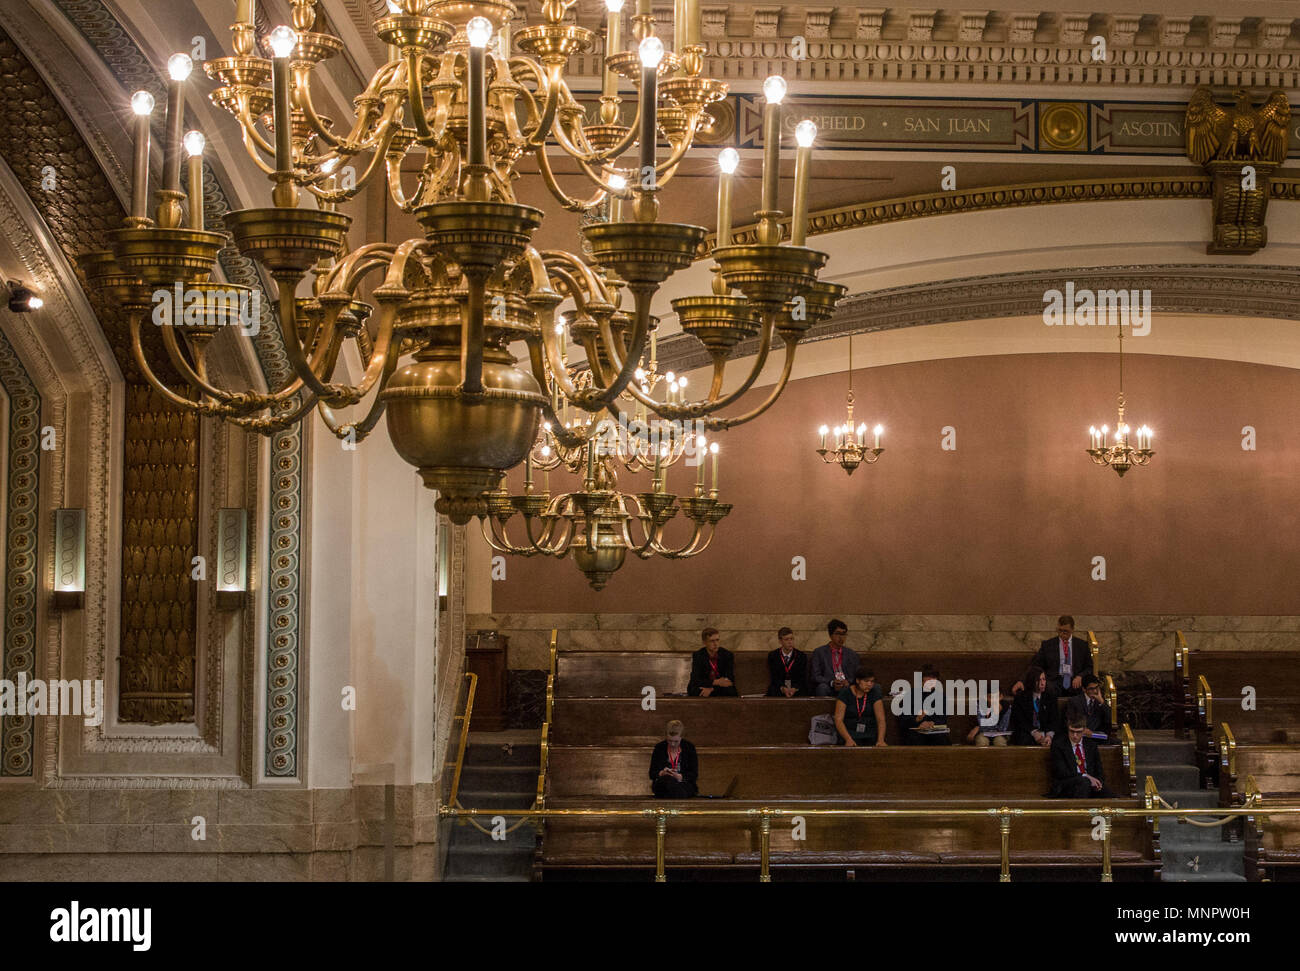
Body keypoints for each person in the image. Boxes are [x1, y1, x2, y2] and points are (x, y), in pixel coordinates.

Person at [1049, 715, 1114, 798]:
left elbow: (1099, 770)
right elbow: (1061, 772)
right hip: (1067, 785)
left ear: (1084, 731)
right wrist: (1085, 776)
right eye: (1072, 731)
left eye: (1078, 732)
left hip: (1089, 785)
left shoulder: (1091, 745)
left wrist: (1098, 782)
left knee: (1109, 795)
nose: (1075, 735)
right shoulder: (1059, 745)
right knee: (1084, 783)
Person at [898, 665, 951, 745]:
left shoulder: (941, 696)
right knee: (915, 739)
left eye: (934, 678)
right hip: (914, 731)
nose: (931, 680)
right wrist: (917, 719)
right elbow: (902, 719)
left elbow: (943, 718)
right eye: (928, 677)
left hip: (934, 731)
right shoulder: (910, 695)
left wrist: (932, 723)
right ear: (922, 679)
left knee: (941, 739)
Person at [834, 669, 887, 747]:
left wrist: (881, 740)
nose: (869, 684)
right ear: (858, 680)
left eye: (872, 681)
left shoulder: (875, 693)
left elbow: (881, 719)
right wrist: (848, 739)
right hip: (849, 733)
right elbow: (838, 720)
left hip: (870, 733)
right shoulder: (845, 693)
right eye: (866, 681)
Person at [1009, 665, 1058, 747]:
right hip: (1028, 732)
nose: (1042, 683)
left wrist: (1049, 736)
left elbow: (1054, 720)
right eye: (1038, 680)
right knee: (1023, 739)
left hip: (1045, 732)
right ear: (1031, 681)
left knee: (1058, 741)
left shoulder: (1050, 696)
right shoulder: (1021, 697)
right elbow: (1019, 721)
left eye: (1044, 679)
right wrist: (1034, 732)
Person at [810, 619, 860, 697]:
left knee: (848, 689)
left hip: (846, 685)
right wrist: (832, 682)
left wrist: (848, 682)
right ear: (830, 635)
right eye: (838, 634)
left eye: (843, 634)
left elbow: (857, 674)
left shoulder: (851, 654)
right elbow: (815, 676)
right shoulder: (819, 652)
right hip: (829, 685)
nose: (841, 637)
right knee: (822, 688)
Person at [649, 720, 698, 798]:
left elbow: (694, 774)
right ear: (666, 736)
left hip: (683, 784)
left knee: (676, 789)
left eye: (676, 741)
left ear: (681, 737)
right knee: (667, 782)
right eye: (670, 741)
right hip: (663, 783)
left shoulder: (689, 748)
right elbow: (652, 773)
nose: (672, 744)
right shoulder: (659, 748)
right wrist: (662, 773)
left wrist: (680, 777)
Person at [687, 627, 738, 697]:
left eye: (717, 640)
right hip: (705, 686)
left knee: (730, 690)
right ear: (704, 642)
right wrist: (715, 682)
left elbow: (730, 680)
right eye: (712, 641)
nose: (716, 644)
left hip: (720, 689)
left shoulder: (727, 655)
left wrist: (712, 689)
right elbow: (695, 680)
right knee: (693, 690)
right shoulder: (698, 655)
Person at [1066, 674, 1112, 741]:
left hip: (1097, 738)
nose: (1095, 691)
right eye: (1091, 689)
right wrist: (1083, 730)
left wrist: (1102, 702)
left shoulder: (1101, 701)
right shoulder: (1074, 701)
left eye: (1096, 687)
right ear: (1084, 689)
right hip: (1080, 736)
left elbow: (1110, 718)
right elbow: (1069, 721)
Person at [766, 627, 809, 697]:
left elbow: (802, 677)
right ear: (780, 641)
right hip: (780, 687)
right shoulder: (773, 655)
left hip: (796, 688)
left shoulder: (801, 656)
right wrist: (783, 688)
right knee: (772, 691)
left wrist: (794, 688)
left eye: (791, 639)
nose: (790, 642)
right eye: (786, 639)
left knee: (804, 691)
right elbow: (774, 676)